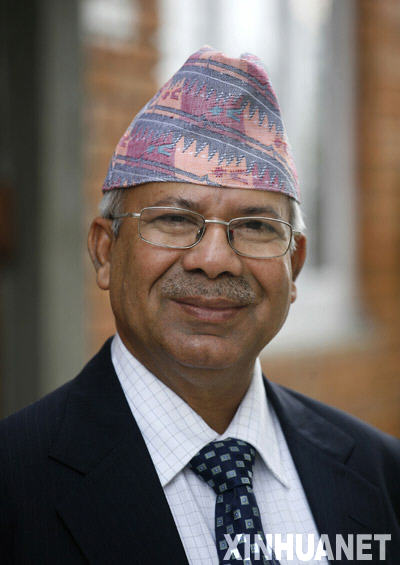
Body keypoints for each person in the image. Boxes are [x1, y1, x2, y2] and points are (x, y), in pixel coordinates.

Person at [0, 46, 399, 565]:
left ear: (295, 266)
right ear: (105, 252)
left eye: (255, 227)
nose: (214, 261)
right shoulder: (14, 485)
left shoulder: (380, 474)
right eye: (174, 219)